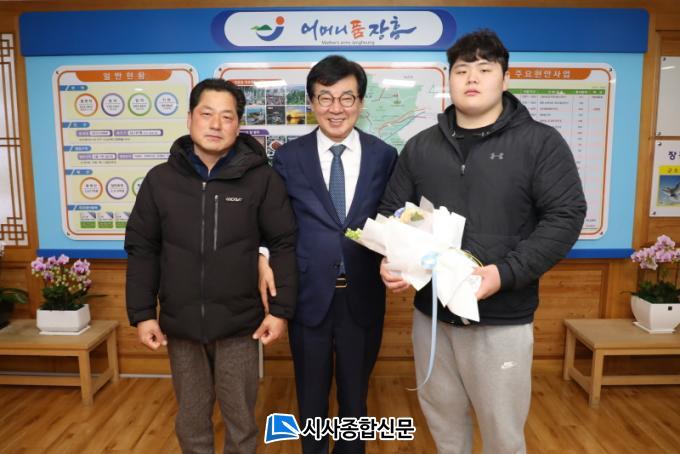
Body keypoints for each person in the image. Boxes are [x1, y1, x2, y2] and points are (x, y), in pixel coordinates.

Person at [379, 30, 587, 454]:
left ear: (505, 79)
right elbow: (394, 212)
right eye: (461, 70)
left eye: (484, 69)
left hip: (501, 319)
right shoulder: (420, 147)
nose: (471, 78)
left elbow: (565, 216)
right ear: (449, 80)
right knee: (444, 425)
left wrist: (505, 273)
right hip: (433, 318)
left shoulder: (540, 143)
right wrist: (393, 258)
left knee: (502, 435)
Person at [125, 78, 297, 454]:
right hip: (181, 325)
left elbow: (284, 243)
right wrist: (143, 314)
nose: (216, 124)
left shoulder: (261, 179)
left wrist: (280, 310)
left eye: (227, 116)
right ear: (190, 118)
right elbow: (142, 249)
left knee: (241, 421)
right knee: (190, 419)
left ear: (238, 125)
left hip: (240, 325)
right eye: (207, 114)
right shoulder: (160, 181)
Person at [261, 55, 397, 453]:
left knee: (355, 398)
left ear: (360, 102)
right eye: (325, 97)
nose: (336, 108)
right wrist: (262, 254)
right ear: (312, 102)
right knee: (311, 397)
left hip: (363, 295)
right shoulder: (289, 157)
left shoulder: (384, 155)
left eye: (346, 97)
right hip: (308, 297)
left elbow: (394, 218)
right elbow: (276, 222)